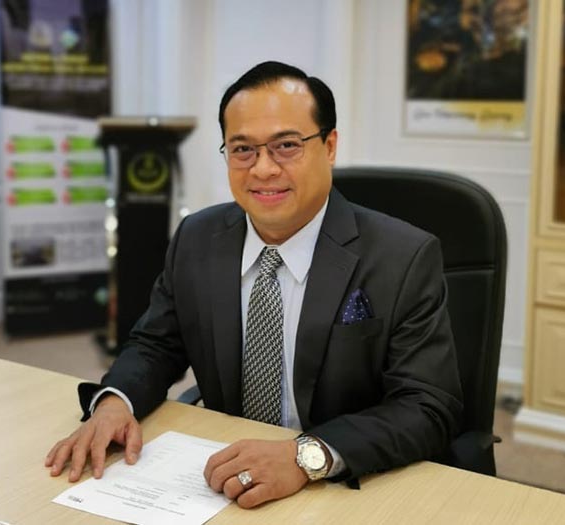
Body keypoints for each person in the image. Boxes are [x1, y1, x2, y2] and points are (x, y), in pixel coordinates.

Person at [46, 61, 463, 509]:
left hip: (347, 488)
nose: (263, 169)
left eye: (286, 146)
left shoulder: (404, 256)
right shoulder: (197, 237)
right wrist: (115, 402)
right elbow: (155, 345)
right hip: (224, 478)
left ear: (329, 146)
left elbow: (426, 405)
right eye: (243, 149)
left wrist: (306, 456)